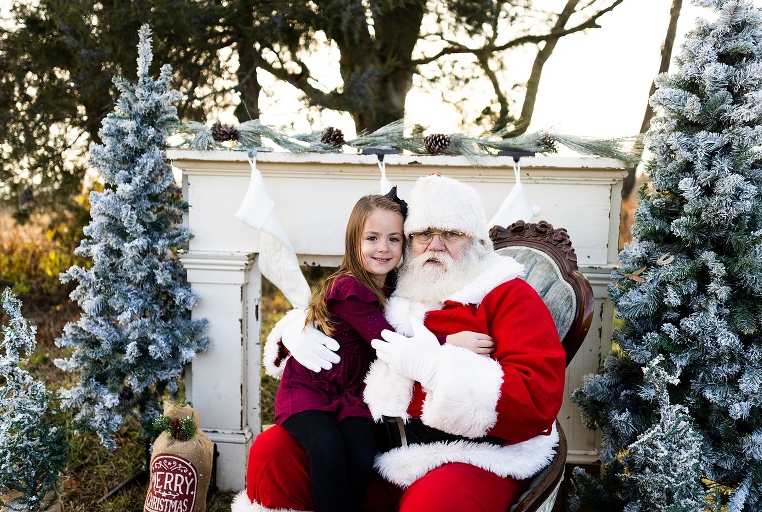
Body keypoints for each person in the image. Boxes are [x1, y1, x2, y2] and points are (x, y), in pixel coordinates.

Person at [233, 174, 566, 512]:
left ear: (477, 240)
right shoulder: (399, 284)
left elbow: (538, 395)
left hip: (464, 455)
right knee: (272, 451)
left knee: (435, 505)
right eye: (423, 234)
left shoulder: (507, 294)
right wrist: (297, 328)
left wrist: (436, 368)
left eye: (451, 233)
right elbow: (345, 311)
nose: (435, 245)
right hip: (377, 447)